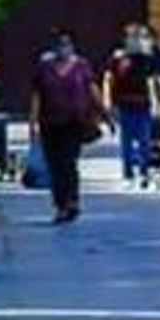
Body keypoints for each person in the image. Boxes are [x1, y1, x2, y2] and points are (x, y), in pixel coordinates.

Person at [29, 27, 100, 224]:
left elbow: (92, 89)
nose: (63, 48)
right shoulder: (44, 68)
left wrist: (103, 113)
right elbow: (36, 95)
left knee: (69, 162)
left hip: (74, 123)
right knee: (55, 165)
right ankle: (60, 205)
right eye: (60, 44)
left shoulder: (81, 66)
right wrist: (33, 122)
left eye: (67, 44)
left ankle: (72, 201)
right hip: (49, 122)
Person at [104, 22, 160, 188]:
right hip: (124, 104)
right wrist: (108, 101)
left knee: (145, 140)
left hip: (143, 104)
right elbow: (109, 79)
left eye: (138, 37)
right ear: (125, 39)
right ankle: (128, 172)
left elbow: (154, 81)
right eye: (132, 37)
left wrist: (157, 103)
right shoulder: (118, 58)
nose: (135, 40)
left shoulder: (147, 58)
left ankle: (144, 171)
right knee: (126, 141)